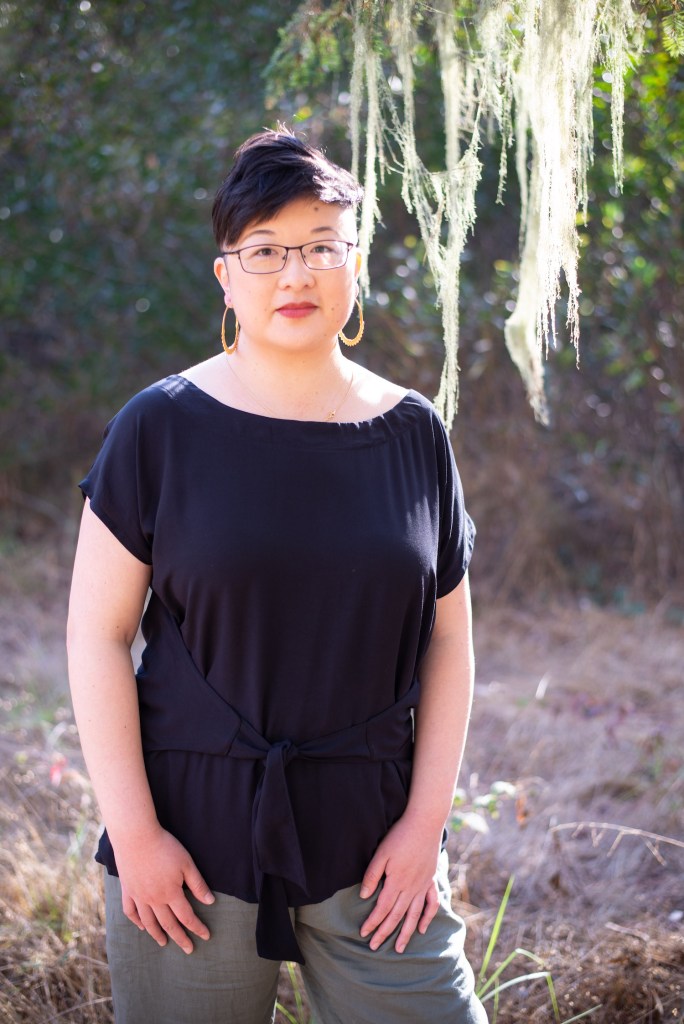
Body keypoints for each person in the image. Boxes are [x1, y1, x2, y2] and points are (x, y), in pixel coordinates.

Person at [66, 128, 487, 1024]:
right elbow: (96, 634)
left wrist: (425, 828)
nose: (296, 274)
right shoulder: (158, 428)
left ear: (355, 265)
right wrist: (136, 836)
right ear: (226, 275)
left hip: (379, 844)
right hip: (189, 851)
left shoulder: (415, 432)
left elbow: (450, 641)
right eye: (264, 250)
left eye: (321, 247)